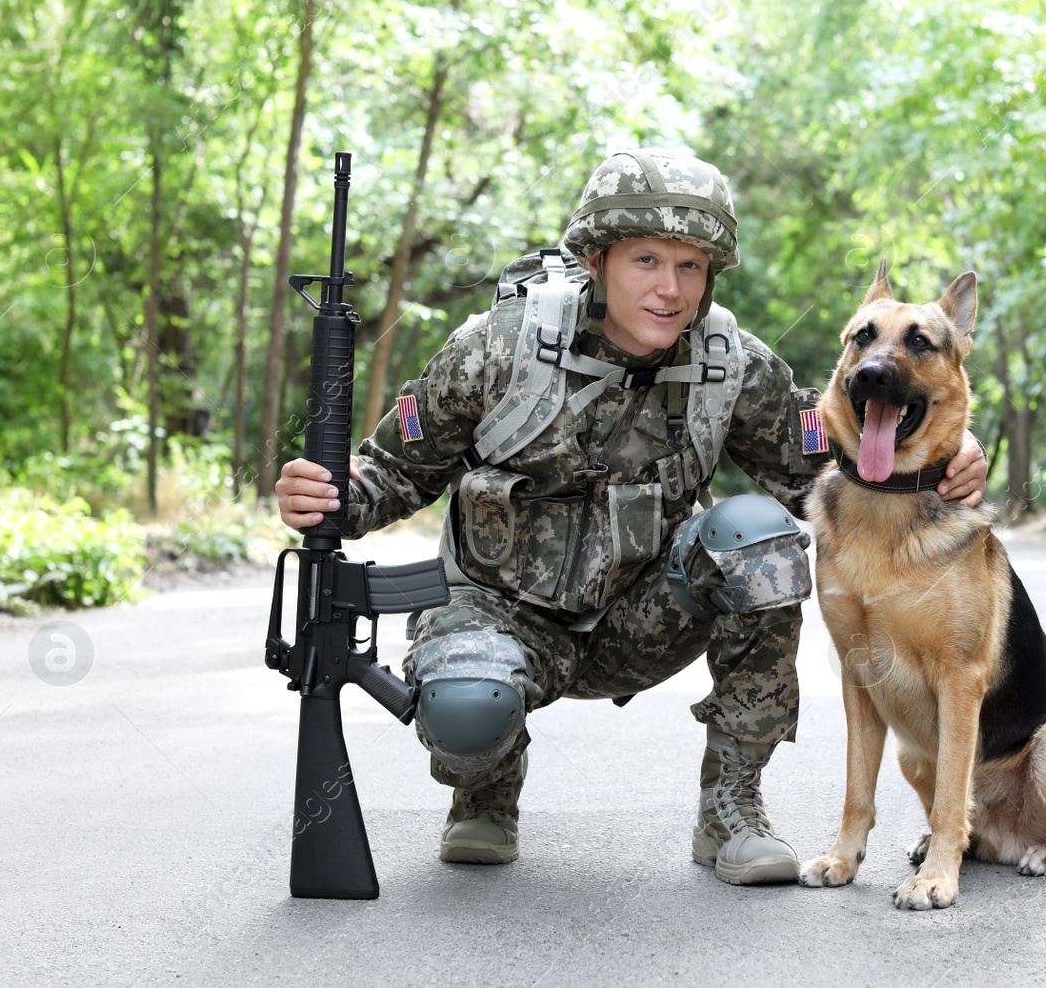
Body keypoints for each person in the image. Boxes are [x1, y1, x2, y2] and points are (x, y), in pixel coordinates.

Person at [275, 150, 988, 885]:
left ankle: (731, 805)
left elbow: (837, 458)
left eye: (690, 266)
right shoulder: (495, 347)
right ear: (597, 258)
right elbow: (394, 468)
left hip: (646, 619)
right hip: (501, 615)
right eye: (646, 259)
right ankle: (484, 788)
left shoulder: (729, 363)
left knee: (761, 539)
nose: (669, 287)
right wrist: (326, 493)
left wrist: (948, 454)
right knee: (467, 711)